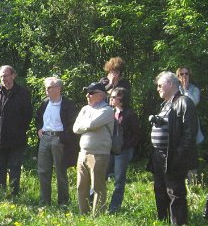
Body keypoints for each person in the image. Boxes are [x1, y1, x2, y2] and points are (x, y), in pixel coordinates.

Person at [147, 71, 198, 226]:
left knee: (175, 191)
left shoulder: (184, 102)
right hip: (158, 155)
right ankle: (163, 222)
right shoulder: (166, 104)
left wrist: (178, 155)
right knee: (160, 190)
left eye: (160, 85)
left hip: (173, 156)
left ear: (170, 84)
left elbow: (189, 134)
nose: (158, 89)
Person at [35, 77, 78, 206]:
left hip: (59, 139)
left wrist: (64, 137)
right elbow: (37, 117)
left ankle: (63, 202)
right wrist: (38, 129)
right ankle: (44, 202)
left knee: (61, 171)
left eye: (49, 87)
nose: (46, 90)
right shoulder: (44, 103)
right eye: (46, 87)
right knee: (43, 171)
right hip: (44, 139)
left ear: (58, 88)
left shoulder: (68, 104)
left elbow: (73, 122)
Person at [73, 81, 115, 215]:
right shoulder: (85, 109)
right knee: (81, 186)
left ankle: (98, 216)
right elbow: (75, 128)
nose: (88, 95)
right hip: (83, 153)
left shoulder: (107, 110)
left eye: (91, 93)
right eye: (87, 93)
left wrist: (85, 125)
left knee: (98, 187)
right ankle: (83, 214)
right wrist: (88, 125)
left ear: (101, 95)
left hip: (99, 154)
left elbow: (93, 123)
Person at [0, 65, 33, 197]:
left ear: (13, 75)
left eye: (6, 75)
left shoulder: (23, 93)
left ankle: (14, 194)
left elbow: (27, 115)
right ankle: (0, 193)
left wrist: (17, 129)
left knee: (14, 167)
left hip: (16, 138)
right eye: (1, 76)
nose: (4, 78)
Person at [107, 87, 140, 213]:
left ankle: (114, 208)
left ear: (121, 99)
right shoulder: (109, 112)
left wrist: (124, 146)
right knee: (101, 176)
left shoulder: (130, 114)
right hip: (109, 151)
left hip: (123, 152)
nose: (111, 99)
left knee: (119, 181)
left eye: (114, 97)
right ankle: (95, 203)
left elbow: (136, 135)